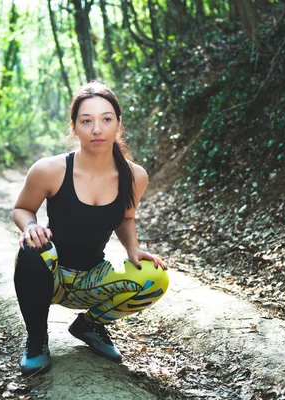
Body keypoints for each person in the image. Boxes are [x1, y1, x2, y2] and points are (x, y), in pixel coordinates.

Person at [12, 80, 169, 375]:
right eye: (87, 121)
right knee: (33, 249)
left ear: (118, 125)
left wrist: (133, 248)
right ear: (74, 128)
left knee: (155, 278)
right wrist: (30, 226)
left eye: (106, 119)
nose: (97, 129)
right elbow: (22, 209)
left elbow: (126, 216)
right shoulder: (50, 169)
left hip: (93, 280)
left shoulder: (135, 176)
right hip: (51, 275)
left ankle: (90, 326)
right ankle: (36, 340)